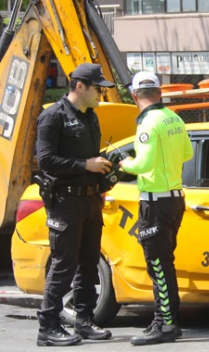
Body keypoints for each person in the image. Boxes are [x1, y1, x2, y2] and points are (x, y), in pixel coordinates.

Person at [35, 63, 115, 346]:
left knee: (89, 265)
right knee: (63, 265)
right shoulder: (52, 117)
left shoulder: (90, 116)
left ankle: (84, 320)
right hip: (65, 202)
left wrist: (103, 170)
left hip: (90, 200)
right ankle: (48, 326)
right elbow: (45, 161)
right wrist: (86, 165)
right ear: (80, 86)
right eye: (98, 89)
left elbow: (92, 159)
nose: (101, 95)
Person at [119, 71, 193, 346]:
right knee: (165, 263)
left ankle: (165, 325)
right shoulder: (174, 118)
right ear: (159, 93)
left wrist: (126, 163)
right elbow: (187, 153)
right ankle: (169, 321)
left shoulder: (148, 123)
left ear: (135, 94)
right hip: (174, 200)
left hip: (155, 201)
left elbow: (143, 164)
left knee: (158, 266)